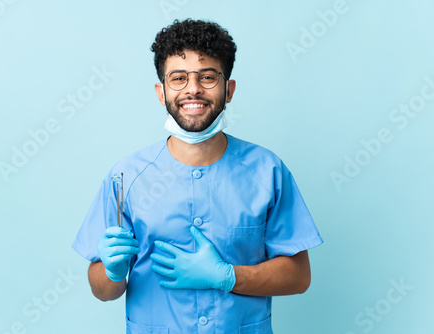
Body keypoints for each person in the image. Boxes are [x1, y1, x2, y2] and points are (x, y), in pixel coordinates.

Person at [72, 18, 323, 333]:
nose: (193, 89)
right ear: (161, 92)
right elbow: (102, 290)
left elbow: (299, 277)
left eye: (207, 77)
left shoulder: (267, 171)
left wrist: (227, 275)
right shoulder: (126, 177)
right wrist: (112, 272)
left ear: (228, 90)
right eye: (178, 78)